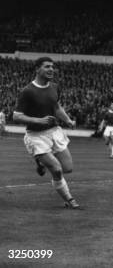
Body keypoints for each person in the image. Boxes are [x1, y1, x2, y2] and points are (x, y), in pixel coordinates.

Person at [12, 57, 80, 209]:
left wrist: (68, 120)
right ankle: (70, 200)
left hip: (54, 132)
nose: (51, 69)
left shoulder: (55, 87)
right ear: (37, 69)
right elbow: (16, 116)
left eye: (52, 67)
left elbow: (56, 107)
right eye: (47, 66)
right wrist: (38, 121)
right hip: (36, 136)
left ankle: (41, 162)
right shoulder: (27, 91)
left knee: (67, 168)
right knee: (56, 169)